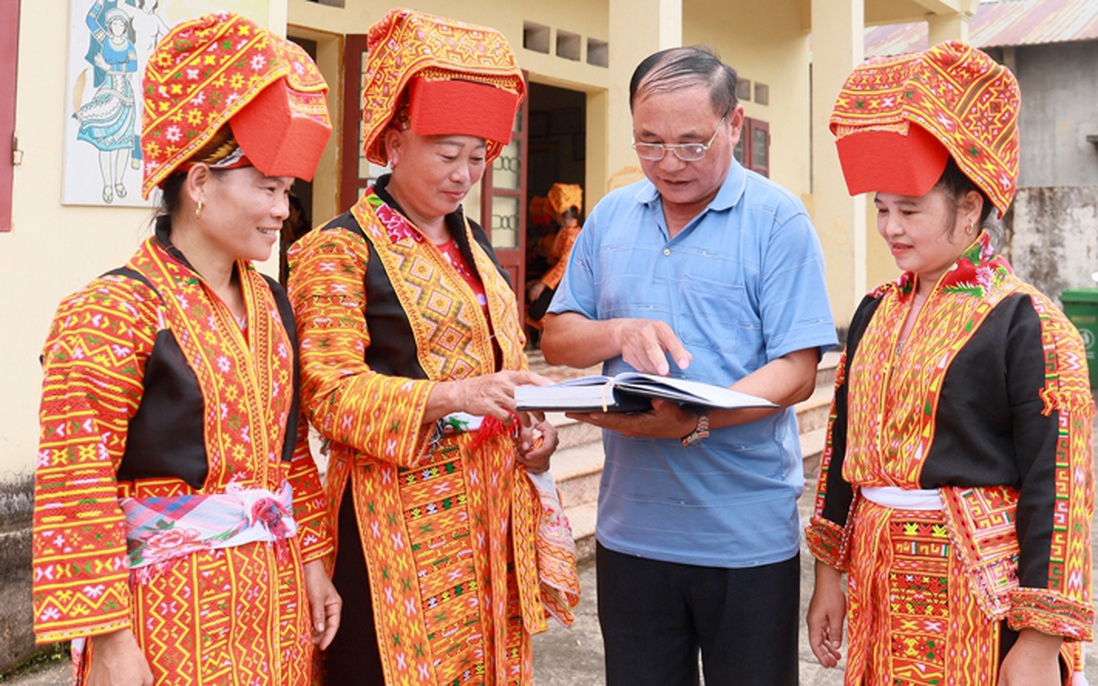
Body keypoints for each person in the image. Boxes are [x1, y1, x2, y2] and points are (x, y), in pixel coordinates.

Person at [33, 12, 340, 685]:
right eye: (266, 187)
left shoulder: (272, 305)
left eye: (287, 191)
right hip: (164, 619)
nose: (282, 210)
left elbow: (289, 453)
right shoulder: (111, 313)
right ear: (199, 183)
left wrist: (314, 561)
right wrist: (110, 643)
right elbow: (74, 488)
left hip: (275, 607)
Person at [287, 8, 580, 685]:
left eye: (478, 158)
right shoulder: (339, 249)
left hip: (489, 520)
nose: (464, 174)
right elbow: (326, 393)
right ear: (393, 142)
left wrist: (527, 431)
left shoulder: (473, 246)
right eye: (447, 154)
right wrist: (453, 396)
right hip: (391, 527)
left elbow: (500, 372)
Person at [541, 45, 837, 686]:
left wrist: (692, 421)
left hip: (745, 537)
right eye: (649, 143)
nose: (668, 163)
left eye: (691, 143)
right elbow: (559, 337)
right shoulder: (612, 216)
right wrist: (618, 330)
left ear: (733, 125)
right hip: (632, 533)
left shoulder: (777, 221)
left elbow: (796, 369)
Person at [805, 41, 1095, 685]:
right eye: (881, 208)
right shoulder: (876, 309)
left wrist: (1041, 640)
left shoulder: (1027, 321)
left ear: (970, 207)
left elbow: (1062, 485)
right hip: (879, 579)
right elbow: (840, 449)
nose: (891, 228)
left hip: (974, 592)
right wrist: (830, 574)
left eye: (910, 210)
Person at [527, 182, 583, 326]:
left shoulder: (572, 235)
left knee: (536, 311)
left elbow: (563, 265)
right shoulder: (564, 232)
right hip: (558, 281)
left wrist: (542, 284)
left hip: (567, 284)